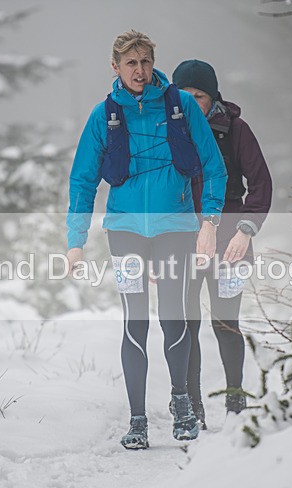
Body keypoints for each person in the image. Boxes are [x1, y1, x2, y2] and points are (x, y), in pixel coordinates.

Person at [66, 32, 226, 449]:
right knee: (134, 321)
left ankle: (181, 404)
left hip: (176, 228)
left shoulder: (182, 106)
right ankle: (137, 420)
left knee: (173, 317)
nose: (140, 71)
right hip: (125, 232)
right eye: (131, 63)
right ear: (115, 67)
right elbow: (83, 179)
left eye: (146, 61)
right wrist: (75, 239)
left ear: (154, 63)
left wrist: (209, 222)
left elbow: (214, 166)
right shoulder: (105, 115)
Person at [171, 59, 273, 428]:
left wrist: (246, 230)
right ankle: (194, 406)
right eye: (183, 94)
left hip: (230, 238)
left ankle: (235, 403)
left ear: (212, 96)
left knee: (225, 323)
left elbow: (261, 184)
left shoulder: (236, 129)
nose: (190, 101)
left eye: (197, 95)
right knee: (186, 324)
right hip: (182, 240)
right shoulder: (168, 129)